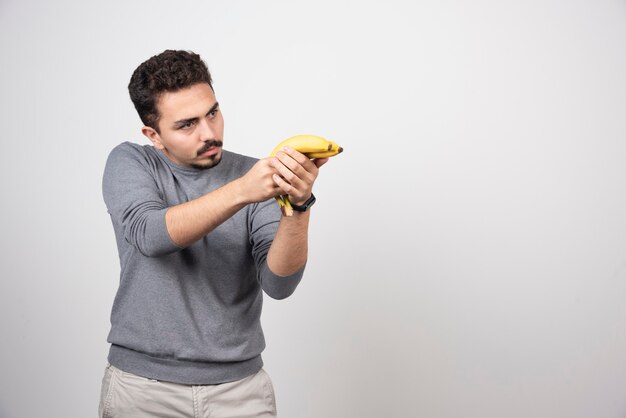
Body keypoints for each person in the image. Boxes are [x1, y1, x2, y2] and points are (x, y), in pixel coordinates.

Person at [98, 49, 328, 418]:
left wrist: (298, 208)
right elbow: (150, 235)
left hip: (239, 390)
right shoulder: (131, 162)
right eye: (187, 124)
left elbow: (280, 285)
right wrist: (242, 191)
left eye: (213, 113)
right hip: (143, 389)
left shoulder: (256, 175)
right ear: (153, 134)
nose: (209, 133)